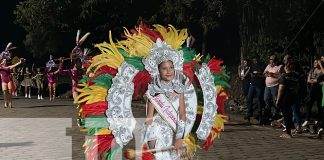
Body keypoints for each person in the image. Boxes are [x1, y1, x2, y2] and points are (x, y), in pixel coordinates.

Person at [142, 52, 187, 159]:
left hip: (175, 129)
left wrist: (180, 137)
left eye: (171, 67)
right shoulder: (153, 91)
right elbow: (149, 118)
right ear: (158, 70)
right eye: (164, 68)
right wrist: (147, 138)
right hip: (157, 130)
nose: (168, 71)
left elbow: (182, 114)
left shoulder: (179, 89)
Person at [276, 61, 301, 138]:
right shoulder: (296, 76)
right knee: (290, 114)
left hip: (285, 97)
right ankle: (292, 128)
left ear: (286, 67)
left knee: (286, 115)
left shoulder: (284, 76)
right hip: (294, 96)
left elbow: (281, 89)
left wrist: (278, 100)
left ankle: (288, 133)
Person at [303, 59, 323, 127]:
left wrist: (315, 81)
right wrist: (315, 81)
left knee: (319, 105)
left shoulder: (321, 70)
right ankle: (307, 119)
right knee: (309, 104)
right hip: (312, 89)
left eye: (316, 62)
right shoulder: (312, 70)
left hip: (319, 90)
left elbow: (320, 80)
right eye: (314, 62)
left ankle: (319, 120)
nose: (314, 63)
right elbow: (308, 80)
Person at [245, 55, 265, 121]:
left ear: (259, 59)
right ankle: (249, 111)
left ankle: (259, 112)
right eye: (254, 60)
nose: (255, 61)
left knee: (259, 98)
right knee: (249, 97)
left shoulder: (262, 66)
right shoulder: (252, 66)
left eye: (256, 60)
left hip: (259, 84)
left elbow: (264, 75)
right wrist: (252, 74)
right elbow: (250, 72)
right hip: (252, 84)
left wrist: (258, 74)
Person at [263, 55, 282, 121]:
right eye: (270, 59)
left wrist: (272, 74)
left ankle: (275, 114)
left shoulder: (279, 67)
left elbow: (281, 76)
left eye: (273, 60)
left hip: (275, 86)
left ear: (276, 60)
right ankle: (269, 112)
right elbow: (264, 73)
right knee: (266, 99)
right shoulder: (268, 66)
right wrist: (266, 74)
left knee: (275, 100)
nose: (271, 61)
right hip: (267, 86)